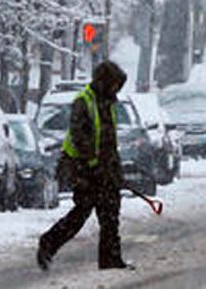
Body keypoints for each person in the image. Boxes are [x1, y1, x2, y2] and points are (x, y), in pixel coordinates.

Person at [37, 61, 134, 271]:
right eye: (115, 83)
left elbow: (109, 141)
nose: (117, 88)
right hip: (82, 169)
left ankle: (111, 259)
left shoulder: (109, 104)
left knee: (110, 214)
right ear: (104, 81)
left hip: (104, 170)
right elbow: (81, 138)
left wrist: (115, 170)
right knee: (81, 213)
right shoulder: (84, 102)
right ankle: (48, 242)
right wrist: (93, 164)